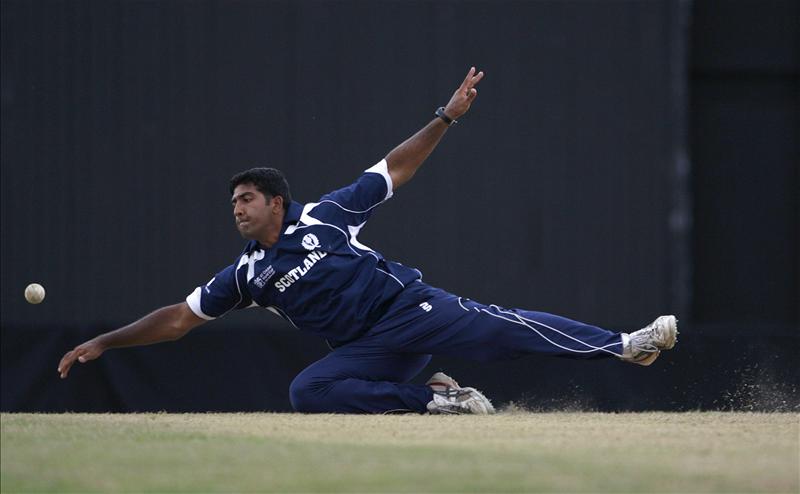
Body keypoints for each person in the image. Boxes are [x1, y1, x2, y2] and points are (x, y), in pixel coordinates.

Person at [58, 67, 678, 414]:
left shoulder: (324, 217)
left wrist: (446, 117)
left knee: (502, 329)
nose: (237, 210)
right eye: (232, 203)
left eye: (246, 199)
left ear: (275, 201)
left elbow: (393, 169)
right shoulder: (246, 275)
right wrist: (106, 341)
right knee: (308, 391)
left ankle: (627, 345)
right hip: (371, 351)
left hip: (410, 310)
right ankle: (440, 403)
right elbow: (176, 321)